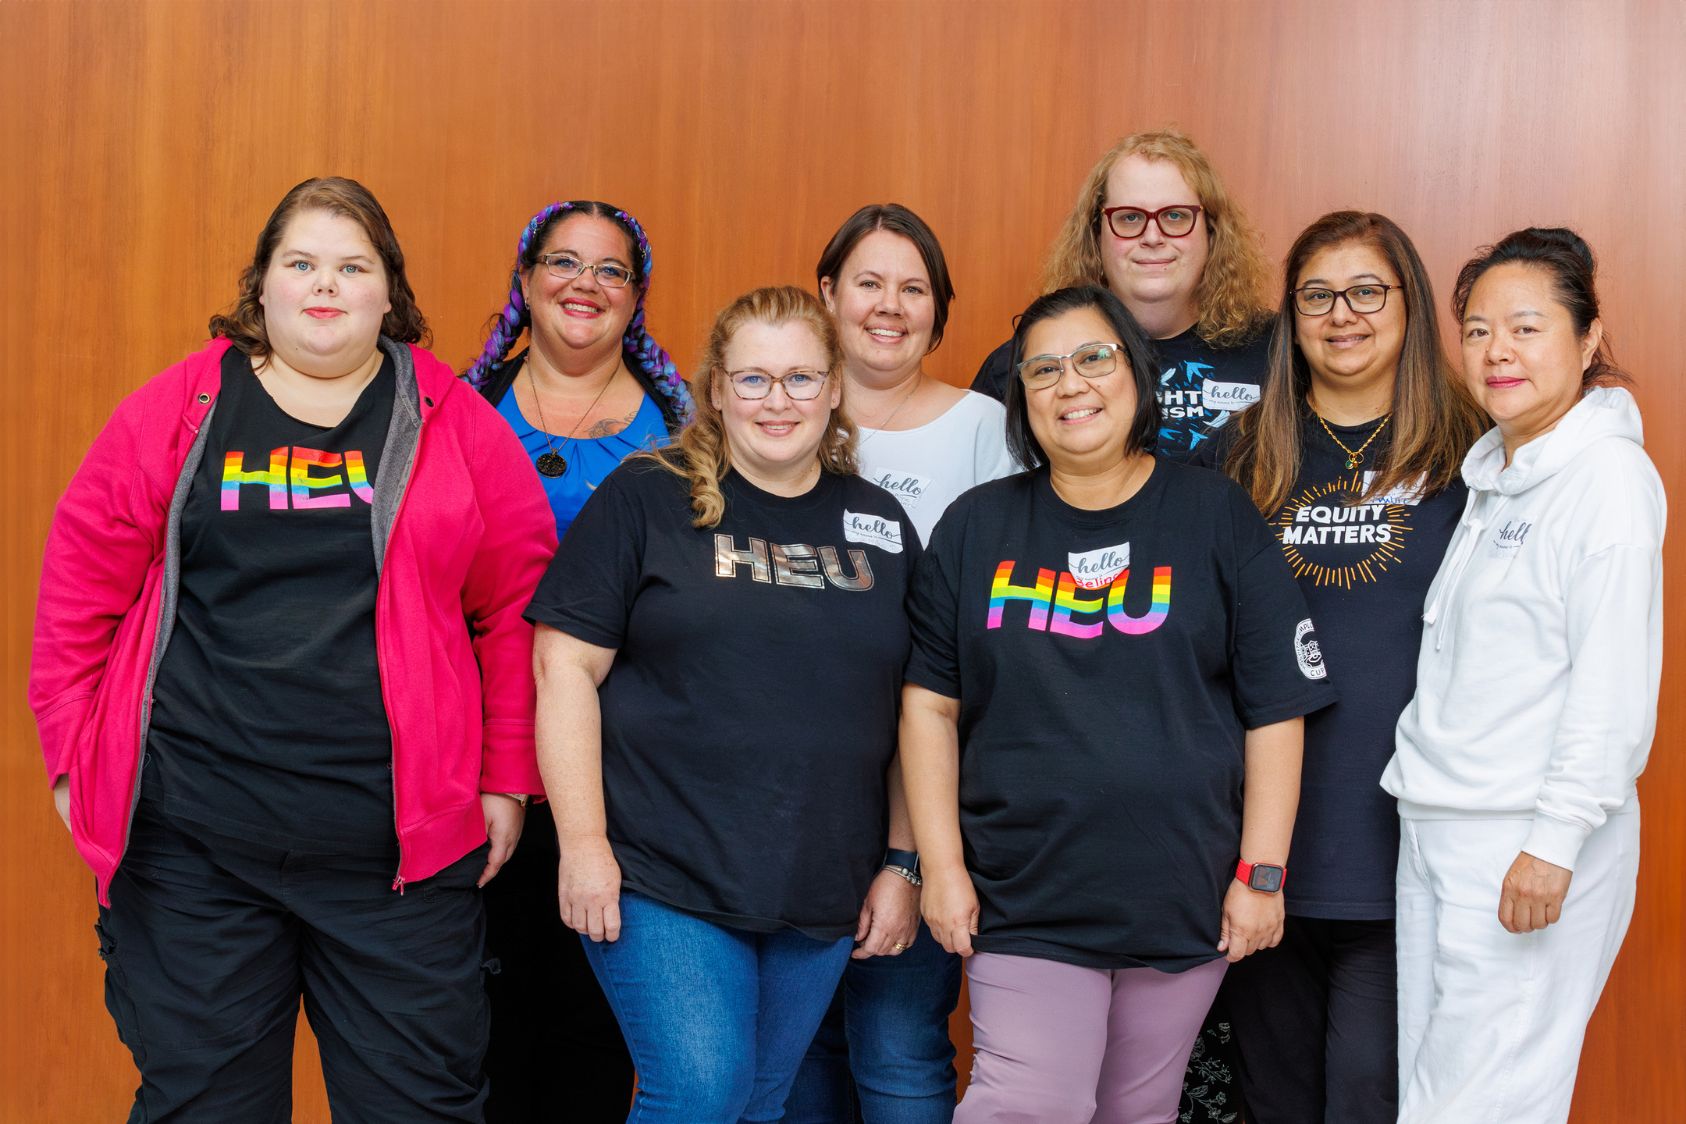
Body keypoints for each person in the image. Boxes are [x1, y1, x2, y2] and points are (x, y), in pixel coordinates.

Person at [27, 176, 555, 1122]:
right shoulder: (178, 408)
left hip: (395, 858)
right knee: (206, 1109)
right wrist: (69, 750)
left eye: (352, 267)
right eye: (301, 263)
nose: (325, 285)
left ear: (388, 293)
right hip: (193, 845)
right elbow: (80, 582)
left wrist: (508, 775)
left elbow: (517, 606)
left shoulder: (453, 421)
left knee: (419, 1110)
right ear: (261, 288)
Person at [901, 285, 1335, 1123]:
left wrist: (1262, 873)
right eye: (1044, 370)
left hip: (1182, 895)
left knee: (1135, 1113)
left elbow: (1275, 707)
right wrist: (942, 867)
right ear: (1021, 399)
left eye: (1094, 358)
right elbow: (929, 707)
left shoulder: (1215, 514)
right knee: (1028, 1102)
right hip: (1023, 895)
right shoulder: (975, 526)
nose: (1073, 385)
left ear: (1136, 375)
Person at [526, 286, 922, 1122]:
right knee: (700, 1095)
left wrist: (902, 860)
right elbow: (563, 668)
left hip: (820, 879)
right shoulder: (645, 499)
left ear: (835, 387)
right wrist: (584, 845)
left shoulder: (880, 525)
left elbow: (913, 711)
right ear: (715, 390)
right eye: (753, 380)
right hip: (662, 870)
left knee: (757, 1104)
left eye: (801, 379)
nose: (778, 402)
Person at [1194, 211, 1487, 1122]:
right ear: (1291, 314)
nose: (1342, 315)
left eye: (1368, 291)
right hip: (1257, 851)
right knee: (1271, 1102)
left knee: (1371, 1098)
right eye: (1317, 295)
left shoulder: (1474, 455)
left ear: (1408, 303)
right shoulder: (1234, 457)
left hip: (1408, 848)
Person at [1383, 228, 1664, 1123]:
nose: (1496, 349)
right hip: (1439, 828)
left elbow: (1612, 683)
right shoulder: (1501, 472)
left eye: (1527, 327)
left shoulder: (1605, 479)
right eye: (1475, 329)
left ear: (1587, 342)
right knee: (1435, 1095)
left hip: (1523, 845)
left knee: (1479, 1106)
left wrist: (1553, 842)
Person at [785, 203, 1017, 1124]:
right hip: (788, 800)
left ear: (939, 309)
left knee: (898, 1043)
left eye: (913, 288)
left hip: (925, 798)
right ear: (828, 293)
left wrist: (915, 853)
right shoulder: (774, 409)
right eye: (869, 282)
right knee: (792, 1053)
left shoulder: (987, 430)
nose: (890, 306)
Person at [465, 199, 692, 1121]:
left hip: (621, 777)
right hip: (476, 762)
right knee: (472, 1023)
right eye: (563, 262)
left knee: (595, 1026)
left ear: (636, 298)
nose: (584, 285)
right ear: (524, 283)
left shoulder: (687, 436)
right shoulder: (459, 412)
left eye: (610, 270)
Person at [970, 128, 1271, 463]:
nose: (1153, 237)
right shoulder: (1029, 365)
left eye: (1175, 216)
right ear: (1095, 234)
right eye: (1130, 218)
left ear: (1211, 231)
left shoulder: (1277, 352)